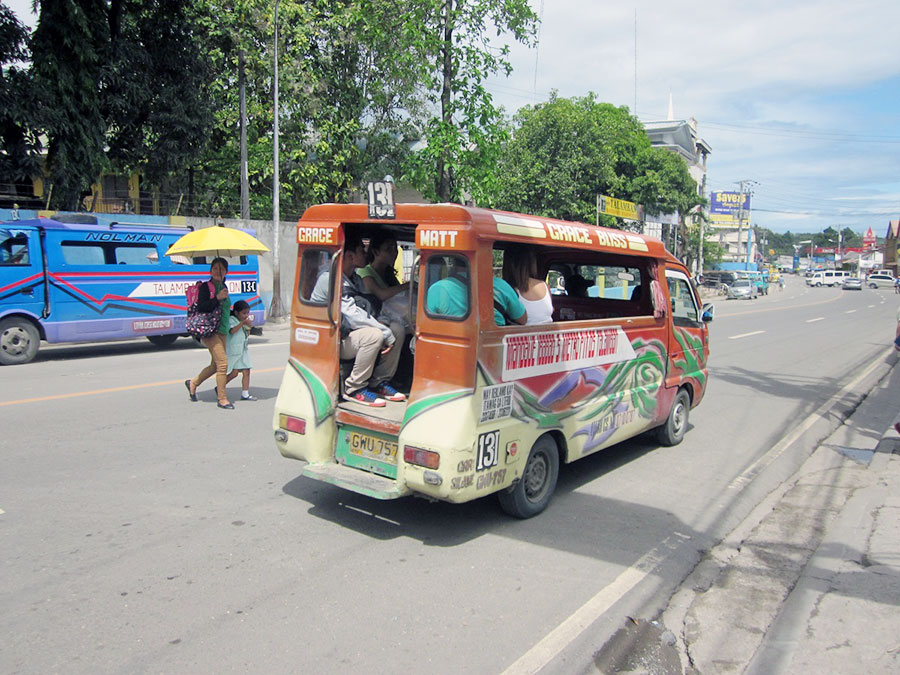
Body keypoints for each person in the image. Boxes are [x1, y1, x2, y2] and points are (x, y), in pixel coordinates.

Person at [310, 234, 405, 407]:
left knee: (397, 329)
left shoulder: (355, 279)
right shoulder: (331, 279)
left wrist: (383, 321)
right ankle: (354, 388)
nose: (366, 253)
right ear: (350, 256)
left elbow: (371, 305)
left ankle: (379, 382)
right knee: (374, 335)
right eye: (362, 250)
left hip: (350, 333)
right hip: (333, 340)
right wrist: (384, 332)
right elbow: (353, 315)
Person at [185, 257, 234, 409]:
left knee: (215, 365)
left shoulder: (223, 286)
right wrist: (217, 298)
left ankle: (193, 383)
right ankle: (222, 399)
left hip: (222, 330)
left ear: (226, 271)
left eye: (222, 268)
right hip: (210, 330)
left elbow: (225, 310)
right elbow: (203, 307)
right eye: (215, 268)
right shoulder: (207, 287)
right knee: (222, 364)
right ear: (210, 270)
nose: (218, 271)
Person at [425, 257, 527, 326]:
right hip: (493, 348)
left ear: (454, 265)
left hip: (451, 348)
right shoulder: (501, 285)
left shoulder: (438, 288)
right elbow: (522, 319)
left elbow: (427, 324)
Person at [502, 244, 553, 324]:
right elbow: (550, 310)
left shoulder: (507, 289)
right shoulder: (545, 286)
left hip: (519, 335)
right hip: (549, 334)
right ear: (531, 263)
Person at [225, 300, 256, 401]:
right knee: (233, 373)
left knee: (246, 370)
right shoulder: (231, 320)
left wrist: (248, 327)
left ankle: (245, 393)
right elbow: (232, 331)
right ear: (236, 312)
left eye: (247, 313)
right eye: (244, 313)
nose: (246, 315)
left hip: (243, 350)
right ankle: (220, 386)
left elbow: (246, 334)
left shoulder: (243, 322)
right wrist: (242, 323)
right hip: (234, 350)